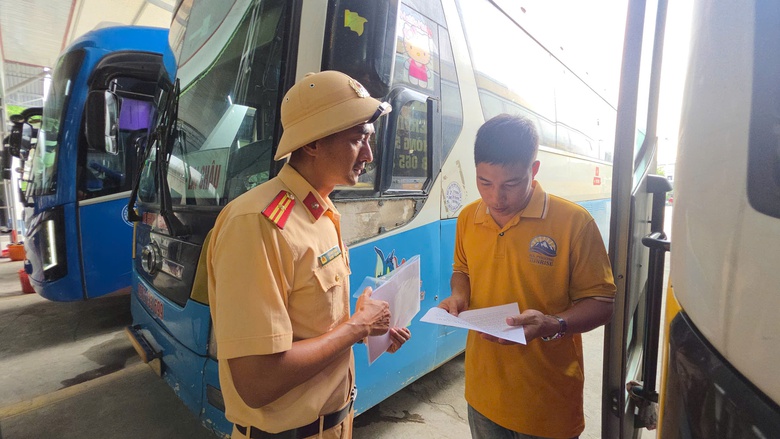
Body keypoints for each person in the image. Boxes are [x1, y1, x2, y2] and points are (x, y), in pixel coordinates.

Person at [207, 70, 411, 439]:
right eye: (357, 139)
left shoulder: (320, 210)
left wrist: (369, 323)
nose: (368, 154)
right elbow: (258, 382)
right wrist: (357, 327)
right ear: (312, 144)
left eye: (369, 139)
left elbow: (312, 324)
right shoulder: (257, 223)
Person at [439, 114, 616, 439]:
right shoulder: (467, 218)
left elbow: (602, 303)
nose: (496, 198)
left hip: (547, 401)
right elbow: (461, 269)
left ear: (533, 172)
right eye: (484, 183)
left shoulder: (574, 223)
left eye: (511, 184)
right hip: (482, 394)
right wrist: (459, 295)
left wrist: (552, 324)